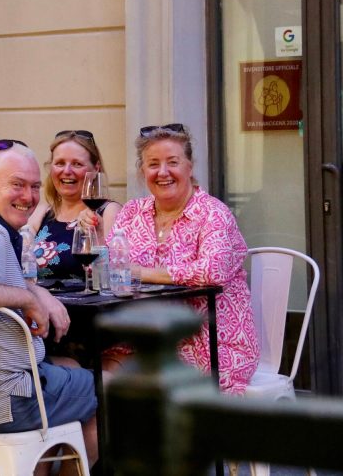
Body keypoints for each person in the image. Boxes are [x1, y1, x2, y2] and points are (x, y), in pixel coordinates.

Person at [0, 141, 98, 469]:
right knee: (104, 387)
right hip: (5, 403)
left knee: (70, 367)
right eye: (16, 185)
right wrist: (28, 298)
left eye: (33, 186)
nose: (29, 197)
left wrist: (33, 292)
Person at [109, 123, 260, 394]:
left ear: (190, 167)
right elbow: (110, 264)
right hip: (148, 337)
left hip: (210, 342)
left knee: (138, 387)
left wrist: (141, 272)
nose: (163, 172)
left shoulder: (213, 213)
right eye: (153, 164)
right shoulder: (132, 212)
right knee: (95, 375)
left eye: (173, 162)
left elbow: (213, 270)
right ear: (142, 171)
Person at [26, 130, 121, 278]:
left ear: (96, 169)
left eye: (77, 164)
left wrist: (99, 236)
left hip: (89, 301)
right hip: (41, 300)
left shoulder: (109, 212)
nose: (67, 171)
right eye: (60, 163)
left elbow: (117, 271)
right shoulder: (42, 213)